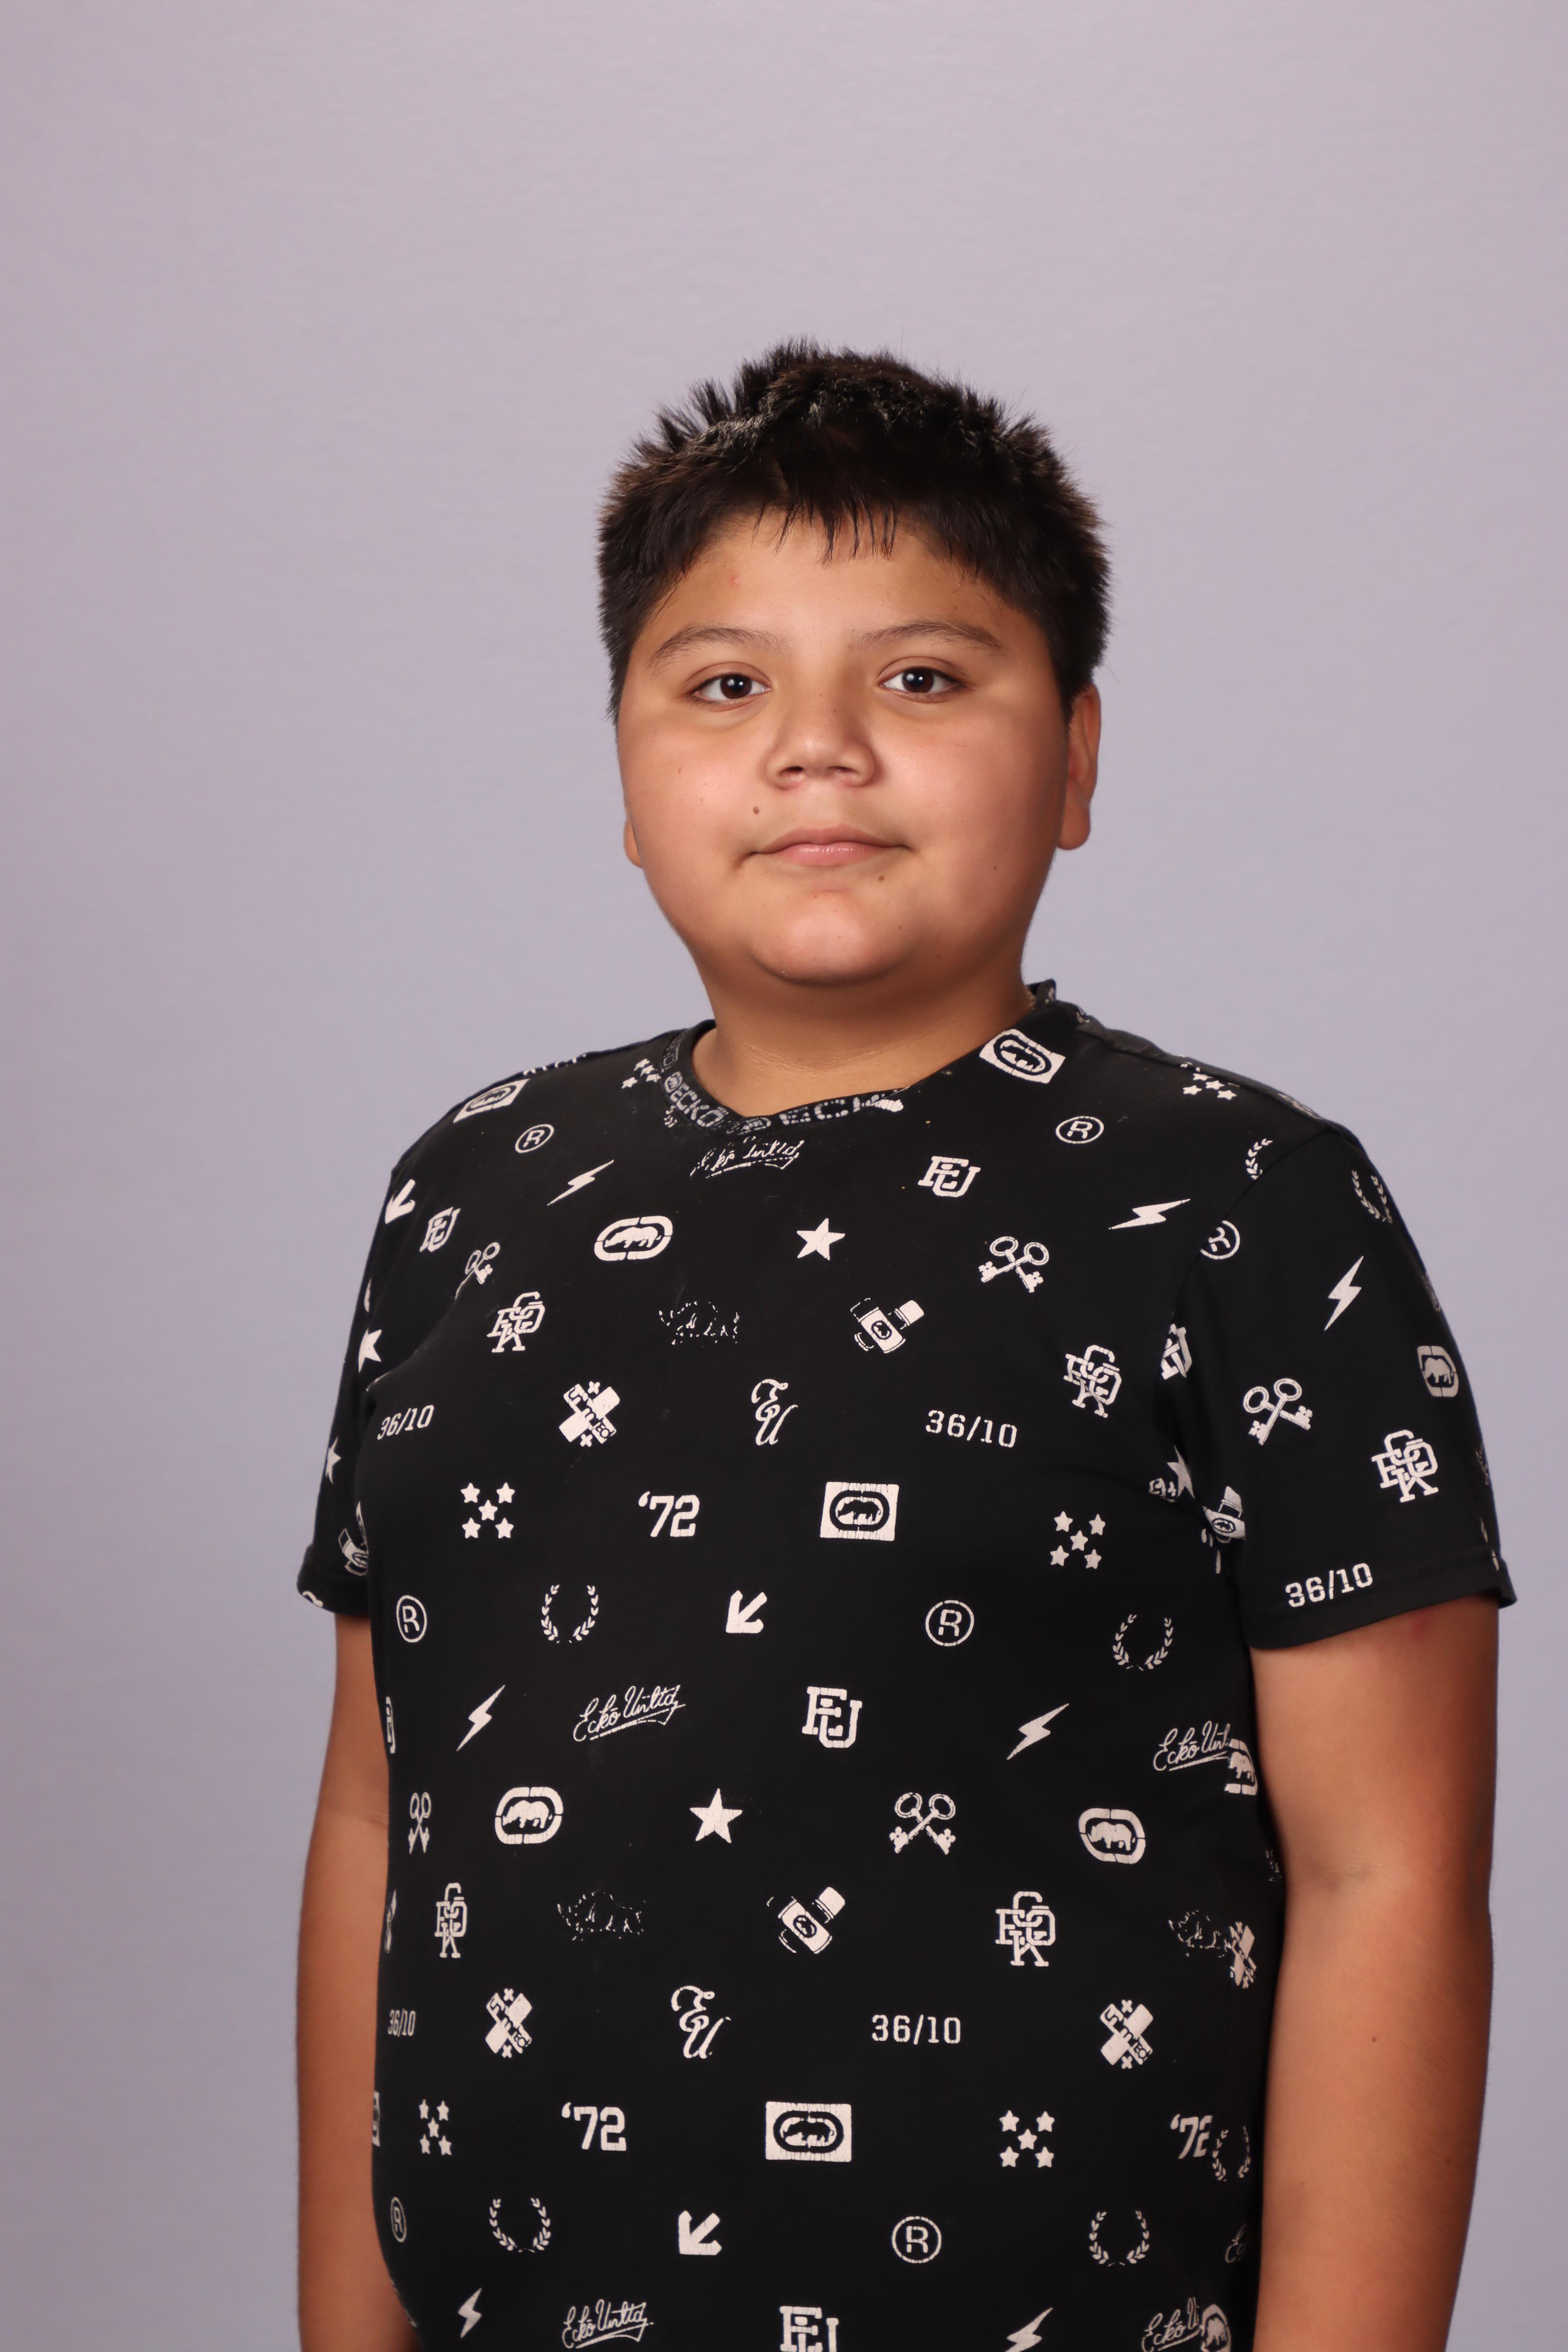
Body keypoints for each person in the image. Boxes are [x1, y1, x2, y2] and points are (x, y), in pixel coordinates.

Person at [295, 344, 1511, 2352]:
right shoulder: (470, 1194)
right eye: (723, 686)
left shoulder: (1235, 1204)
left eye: (924, 679)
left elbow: (1392, 1876)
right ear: (622, 773)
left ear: (1078, 758)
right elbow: (380, 1812)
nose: (819, 751)